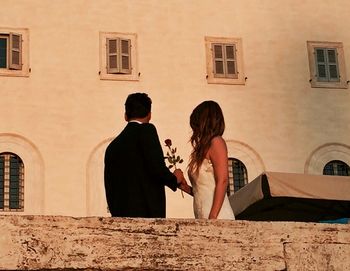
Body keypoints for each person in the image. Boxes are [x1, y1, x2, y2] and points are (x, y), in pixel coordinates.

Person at [104, 92, 187, 218]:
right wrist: (175, 179)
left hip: (120, 216)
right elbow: (156, 167)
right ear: (149, 114)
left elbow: (109, 185)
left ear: (125, 116)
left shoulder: (112, 147)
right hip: (146, 215)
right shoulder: (146, 131)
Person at [188, 101, 235, 220]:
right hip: (202, 215)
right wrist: (183, 185)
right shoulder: (201, 149)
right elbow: (201, 192)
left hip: (217, 215)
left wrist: (213, 217)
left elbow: (223, 180)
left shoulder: (216, 142)